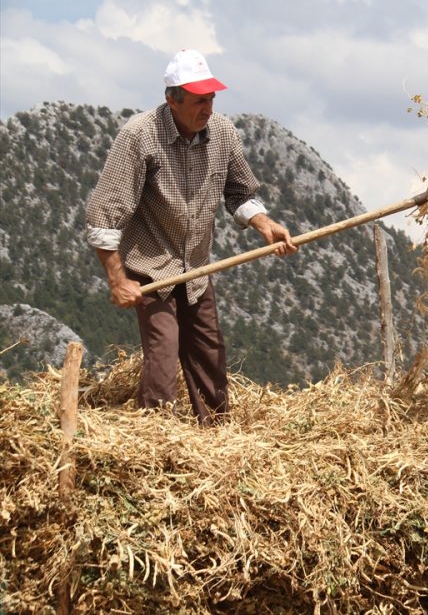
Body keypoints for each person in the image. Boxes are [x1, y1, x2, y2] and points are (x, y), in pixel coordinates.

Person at [85, 48, 297, 425]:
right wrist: (118, 279)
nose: (208, 109)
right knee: (164, 359)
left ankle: (215, 436)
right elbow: (104, 214)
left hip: (195, 268)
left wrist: (266, 224)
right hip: (151, 268)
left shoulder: (223, 134)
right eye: (200, 100)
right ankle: (156, 438)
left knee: (210, 356)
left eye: (212, 98)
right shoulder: (140, 137)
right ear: (172, 99)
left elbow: (240, 193)